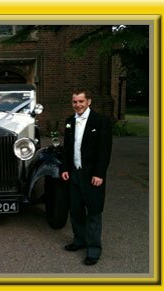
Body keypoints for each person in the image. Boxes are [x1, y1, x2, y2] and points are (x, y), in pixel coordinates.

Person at [61, 88, 112, 266]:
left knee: (94, 212)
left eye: (81, 101)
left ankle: (93, 249)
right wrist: (65, 168)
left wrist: (99, 173)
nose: (78, 105)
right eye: (75, 102)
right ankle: (79, 240)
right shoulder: (69, 121)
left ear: (88, 102)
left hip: (92, 175)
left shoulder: (101, 121)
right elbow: (67, 148)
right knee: (75, 209)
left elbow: (104, 151)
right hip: (74, 172)